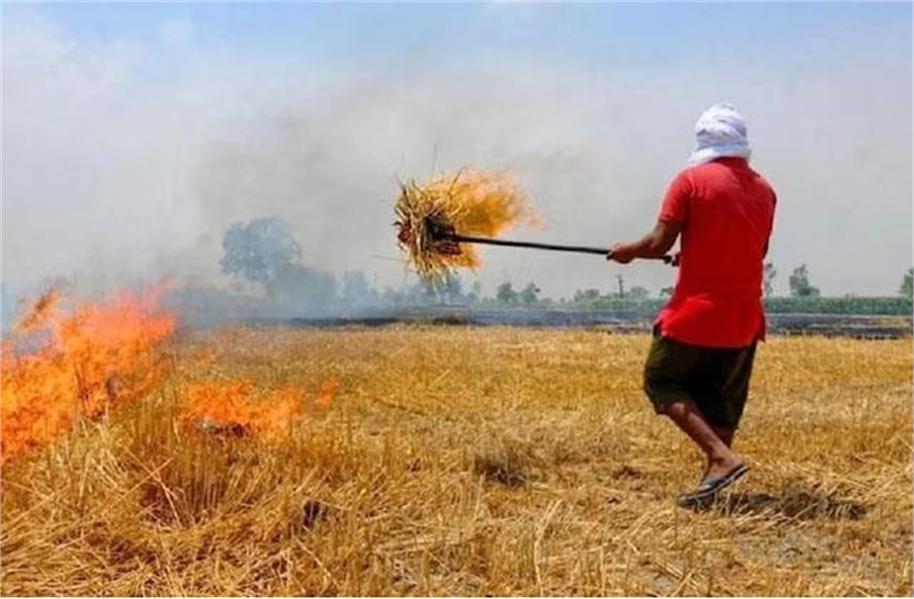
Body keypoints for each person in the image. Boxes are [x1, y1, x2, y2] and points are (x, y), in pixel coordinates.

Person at [608, 103, 776, 507]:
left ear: (703, 141)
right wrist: (694, 252)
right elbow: (752, 250)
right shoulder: (766, 190)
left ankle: (720, 457)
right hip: (744, 318)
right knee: (720, 399)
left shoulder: (690, 182)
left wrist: (628, 251)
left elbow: (657, 243)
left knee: (660, 380)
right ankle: (713, 484)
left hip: (696, 315)